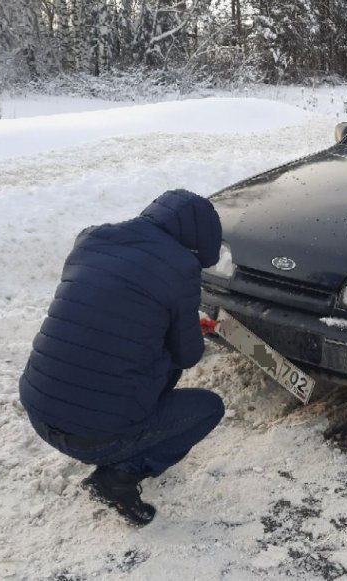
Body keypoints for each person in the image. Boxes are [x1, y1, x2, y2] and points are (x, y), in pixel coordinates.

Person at [19, 189, 225, 526]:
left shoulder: (92, 240)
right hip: (94, 438)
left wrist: (163, 323)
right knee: (208, 408)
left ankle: (117, 439)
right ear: (198, 241)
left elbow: (111, 315)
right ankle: (117, 477)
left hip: (38, 411)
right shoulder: (181, 267)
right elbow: (188, 356)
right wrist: (184, 325)